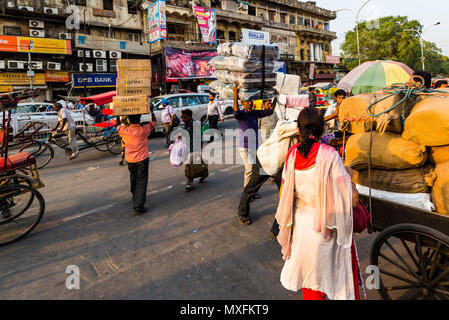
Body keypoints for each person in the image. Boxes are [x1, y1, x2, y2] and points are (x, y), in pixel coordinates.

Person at [275, 107, 360, 300]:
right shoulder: (330, 155)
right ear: (323, 130)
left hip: (302, 229)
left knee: (311, 285)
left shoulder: (293, 154)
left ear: (299, 130)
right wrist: (350, 180)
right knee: (333, 282)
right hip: (326, 230)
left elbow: (284, 194)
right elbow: (352, 200)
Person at [233, 86, 276, 188]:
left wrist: (276, 97)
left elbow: (270, 111)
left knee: (255, 169)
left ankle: (252, 190)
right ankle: (247, 191)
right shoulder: (241, 114)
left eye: (251, 101)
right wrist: (235, 94)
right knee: (250, 170)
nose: (250, 103)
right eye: (247, 101)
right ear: (243, 103)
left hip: (254, 147)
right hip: (245, 147)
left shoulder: (254, 113)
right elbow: (235, 111)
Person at [116, 107, 156, 214]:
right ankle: (138, 205)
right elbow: (154, 122)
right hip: (142, 159)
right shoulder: (143, 130)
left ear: (128, 120)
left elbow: (117, 126)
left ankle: (135, 195)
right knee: (142, 180)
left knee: (133, 177)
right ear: (140, 119)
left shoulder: (125, 131)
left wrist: (118, 113)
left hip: (130, 159)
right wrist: (151, 111)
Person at [181, 109, 209, 192]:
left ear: (190, 116)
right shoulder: (186, 124)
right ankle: (204, 173)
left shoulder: (195, 124)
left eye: (184, 117)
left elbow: (199, 138)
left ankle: (190, 184)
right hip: (188, 148)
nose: (183, 119)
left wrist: (197, 150)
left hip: (194, 148)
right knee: (196, 166)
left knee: (189, 167)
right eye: (182, 117)